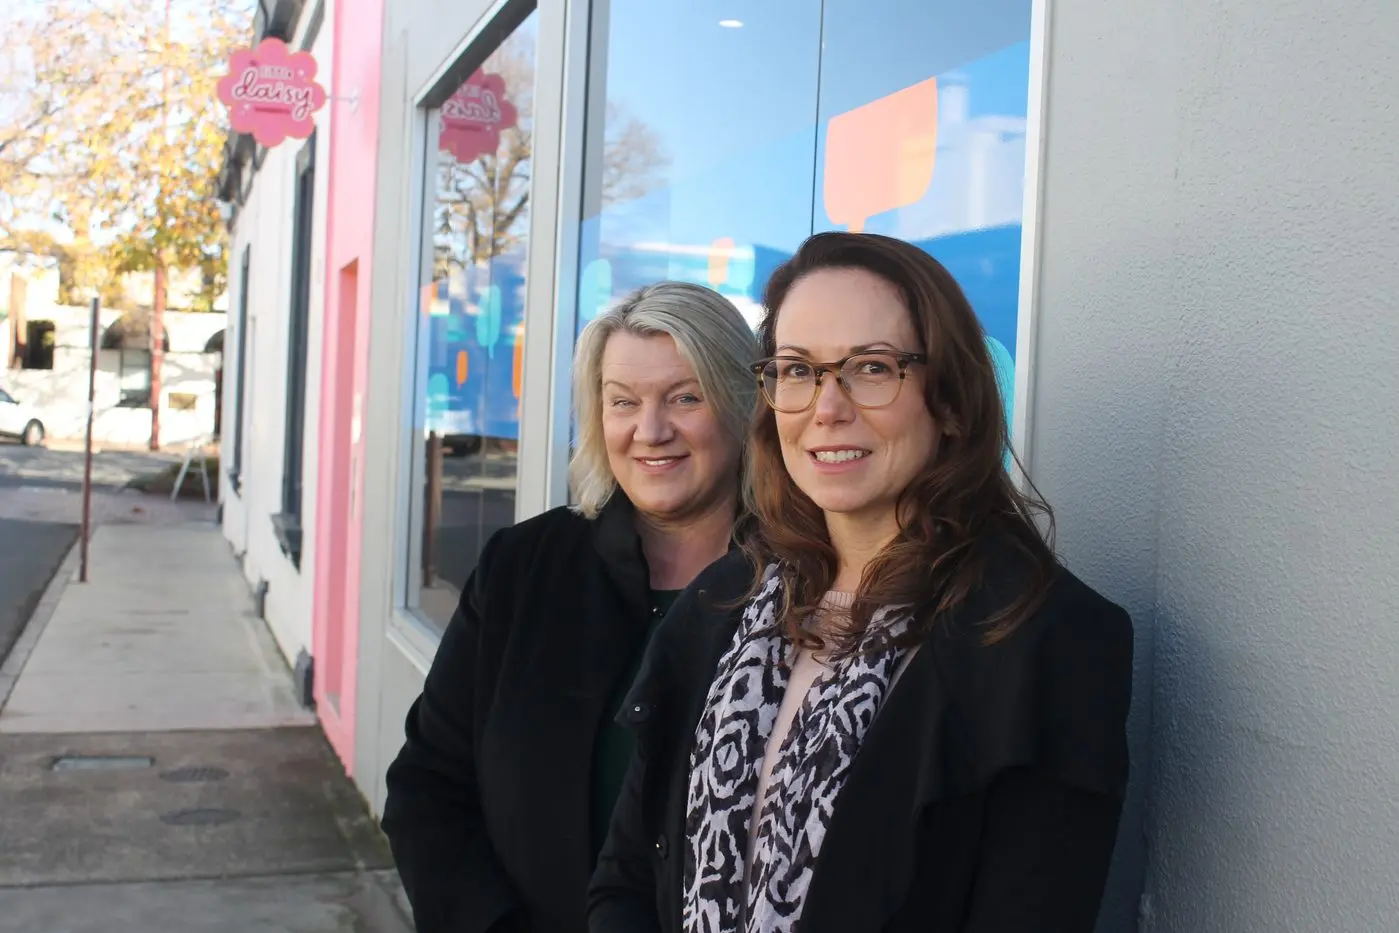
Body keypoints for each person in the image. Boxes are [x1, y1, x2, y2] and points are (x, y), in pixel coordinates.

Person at [588, 232, 1134, 933]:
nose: (826, 406)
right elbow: (629, 871)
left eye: (871, 367)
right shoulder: (723, 599)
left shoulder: (1049, 639)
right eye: (796, 369)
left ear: (953, 400)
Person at [382, 281, 760, 933]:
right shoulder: (521, 569)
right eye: (623, 402)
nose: (651, 430)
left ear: (740, 404)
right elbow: (427, 787)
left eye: (684, 397)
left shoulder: (800, 585)